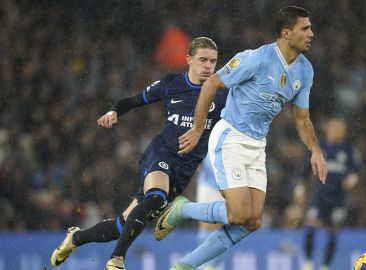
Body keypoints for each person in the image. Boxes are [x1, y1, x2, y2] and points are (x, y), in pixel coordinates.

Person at [154, 6, 328, 270]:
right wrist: (200, 128)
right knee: (237, 213)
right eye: (305, 28)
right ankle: (182, 210)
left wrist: (315, 149)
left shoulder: (305, 71)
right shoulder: (254, 59)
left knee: (253, 221)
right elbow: (212, 83)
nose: (311, 34)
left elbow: (302, 119)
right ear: (286, 32)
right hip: (231, 138)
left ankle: (184, 266)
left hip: (257, 146)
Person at [50, 37, 227, 270]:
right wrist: (114, 111)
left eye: (212, 61)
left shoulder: (222, 94)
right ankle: (116, 259)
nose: (208, 66)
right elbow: (133, 100)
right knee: (156, 196)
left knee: (120, 227)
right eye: (202, 60)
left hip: (184, 171)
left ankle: (75, 238)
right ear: (189, 60)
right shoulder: (171, 84)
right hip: (160, 154)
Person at [302, 117, 359, 270]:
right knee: (311, 225)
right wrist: (300, 188)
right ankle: (308, 263)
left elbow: (355, 170)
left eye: (340, 128)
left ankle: (325, 266)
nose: (338, 131)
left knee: (333, 230)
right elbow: (305, 168)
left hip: (338, 198)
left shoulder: (347, 149)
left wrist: (353, 179)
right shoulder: (319, 147)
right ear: (327, 129)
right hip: (320, 196)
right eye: (335, 128)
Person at [195, 154, 225, 270]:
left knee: (222, 227)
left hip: (227, 183)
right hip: (208, 181)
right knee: (206, 224)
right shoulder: (205, 135)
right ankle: (203, 265)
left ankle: (211, 266)